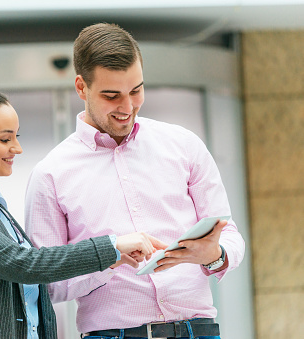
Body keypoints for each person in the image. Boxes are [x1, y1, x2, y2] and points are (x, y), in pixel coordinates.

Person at [25, 23, 245, 339]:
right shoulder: (50, 175)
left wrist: (214, 254)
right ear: (81, 87)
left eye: (136, 90)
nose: (127, 108)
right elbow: (46, 284)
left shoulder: (184, 145)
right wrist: (109, 257)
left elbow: (231, 236)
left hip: (198, 330)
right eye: (111, 95)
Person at [0, 87, 166, 339]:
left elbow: (33, 275)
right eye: (5, 139)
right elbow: (23, 264)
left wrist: (111, 258)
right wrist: (111, 245)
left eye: (17, 137)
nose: (17, 148)